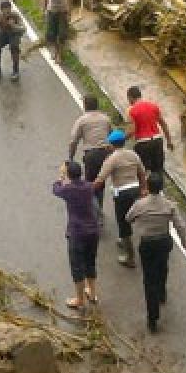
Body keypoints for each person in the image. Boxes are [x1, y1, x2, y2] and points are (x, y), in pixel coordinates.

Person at [126, 172, 186, 332]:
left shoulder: (140, 205)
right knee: (163, 267)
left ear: (147, 186)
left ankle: (152, 318)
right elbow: (180, 226)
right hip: (163, 242)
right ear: (162, 188)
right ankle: (162, 292)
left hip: (147, 244)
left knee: (149, 280)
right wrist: (185, 244)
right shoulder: (169, 205)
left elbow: (128, 218)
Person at [92, 130, 147, 268]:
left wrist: (86, 190)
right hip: (135, 190)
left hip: (122, 194)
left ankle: (130, 257)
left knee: (123, 224)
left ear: (111, 144)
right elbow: (142, 173)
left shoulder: (111, 159)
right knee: (135, 217)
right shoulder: (133, 155)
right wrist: (144, 189)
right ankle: (126, 240)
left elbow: (100, 180)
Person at [52, 161, 101, 311]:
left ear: (69, 175)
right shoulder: (88, 187)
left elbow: (55, 189)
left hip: (77, 233)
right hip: (93, 231)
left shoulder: (68, 190)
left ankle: (79, 299)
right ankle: (92, 294)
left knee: (77, 267)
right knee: (90, 262)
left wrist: (61, 176)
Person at [68, 94, 113, 213]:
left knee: (90, 185)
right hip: (105, 155)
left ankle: (96, 212)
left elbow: (73, 141)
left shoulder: (82, 120)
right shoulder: (105, 118)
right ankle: (99, 208)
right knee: (100, 183)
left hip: (91, 155)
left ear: (85, 105)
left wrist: (71, 157)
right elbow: (111, 136)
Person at [126, 85, 174, 174]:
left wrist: (121, 139)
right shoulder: (153, 106)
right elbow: (163, 124)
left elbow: (131, 131)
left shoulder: (132, 111)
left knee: (144, 173)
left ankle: (146, 187)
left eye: (128, 99)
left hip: (143, 143)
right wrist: (169, 141)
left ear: (130, 97)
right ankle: (159, 187)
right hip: (157, 141)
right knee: (158, 170)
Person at [0, 0, 24, 82]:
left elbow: (23, 29)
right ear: (1, 10)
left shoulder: (15, 15)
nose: (7, 11)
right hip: (2, 35)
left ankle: (15, 71)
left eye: (8, 9)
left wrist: (14, 26)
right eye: (5, 10)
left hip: (13, 34)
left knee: (14, 47)